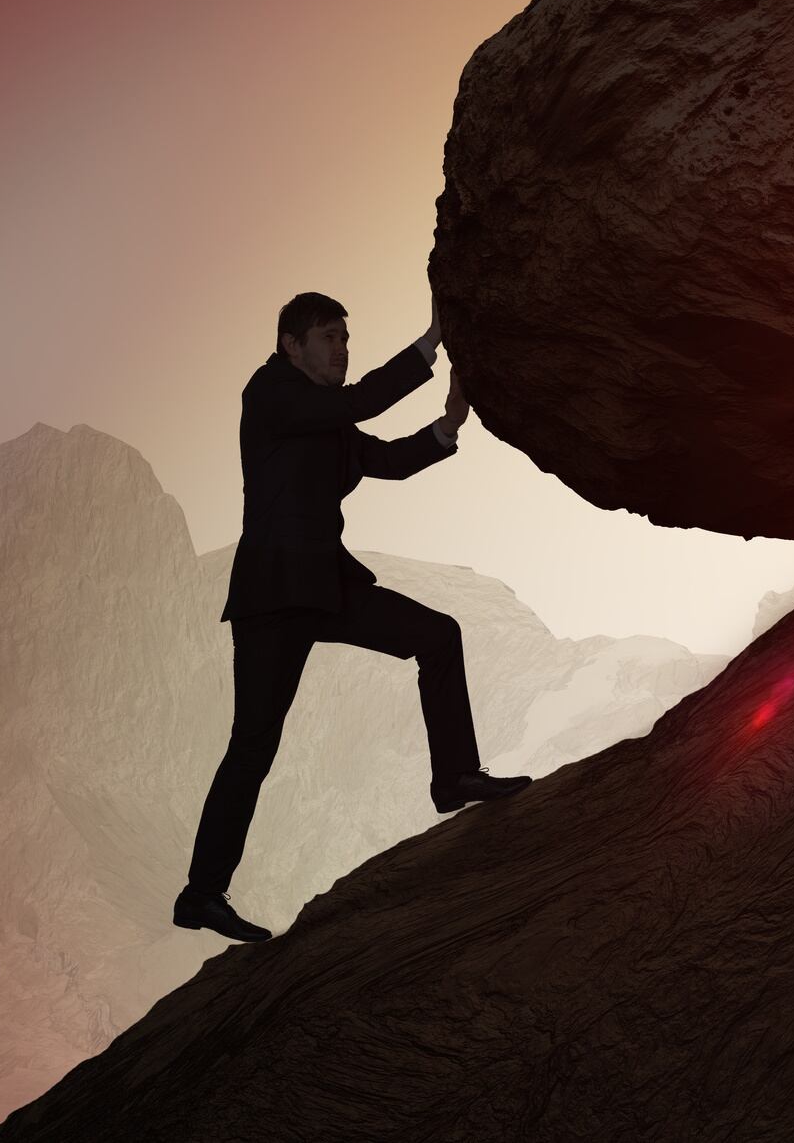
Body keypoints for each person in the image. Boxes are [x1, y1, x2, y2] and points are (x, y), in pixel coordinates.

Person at [173, 290, 529, 944]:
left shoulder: (327, 419)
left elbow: (385, 460)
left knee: (437, 634)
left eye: (344, 338)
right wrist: (431, 342)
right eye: (329, 337)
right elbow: (358, 401)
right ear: (292, 344)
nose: (341, 348)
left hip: (326, 588)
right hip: (273, 599)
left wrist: (448, 424)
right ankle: (201, 895)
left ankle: (453, 778)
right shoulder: (271, 393)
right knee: (252, 748)